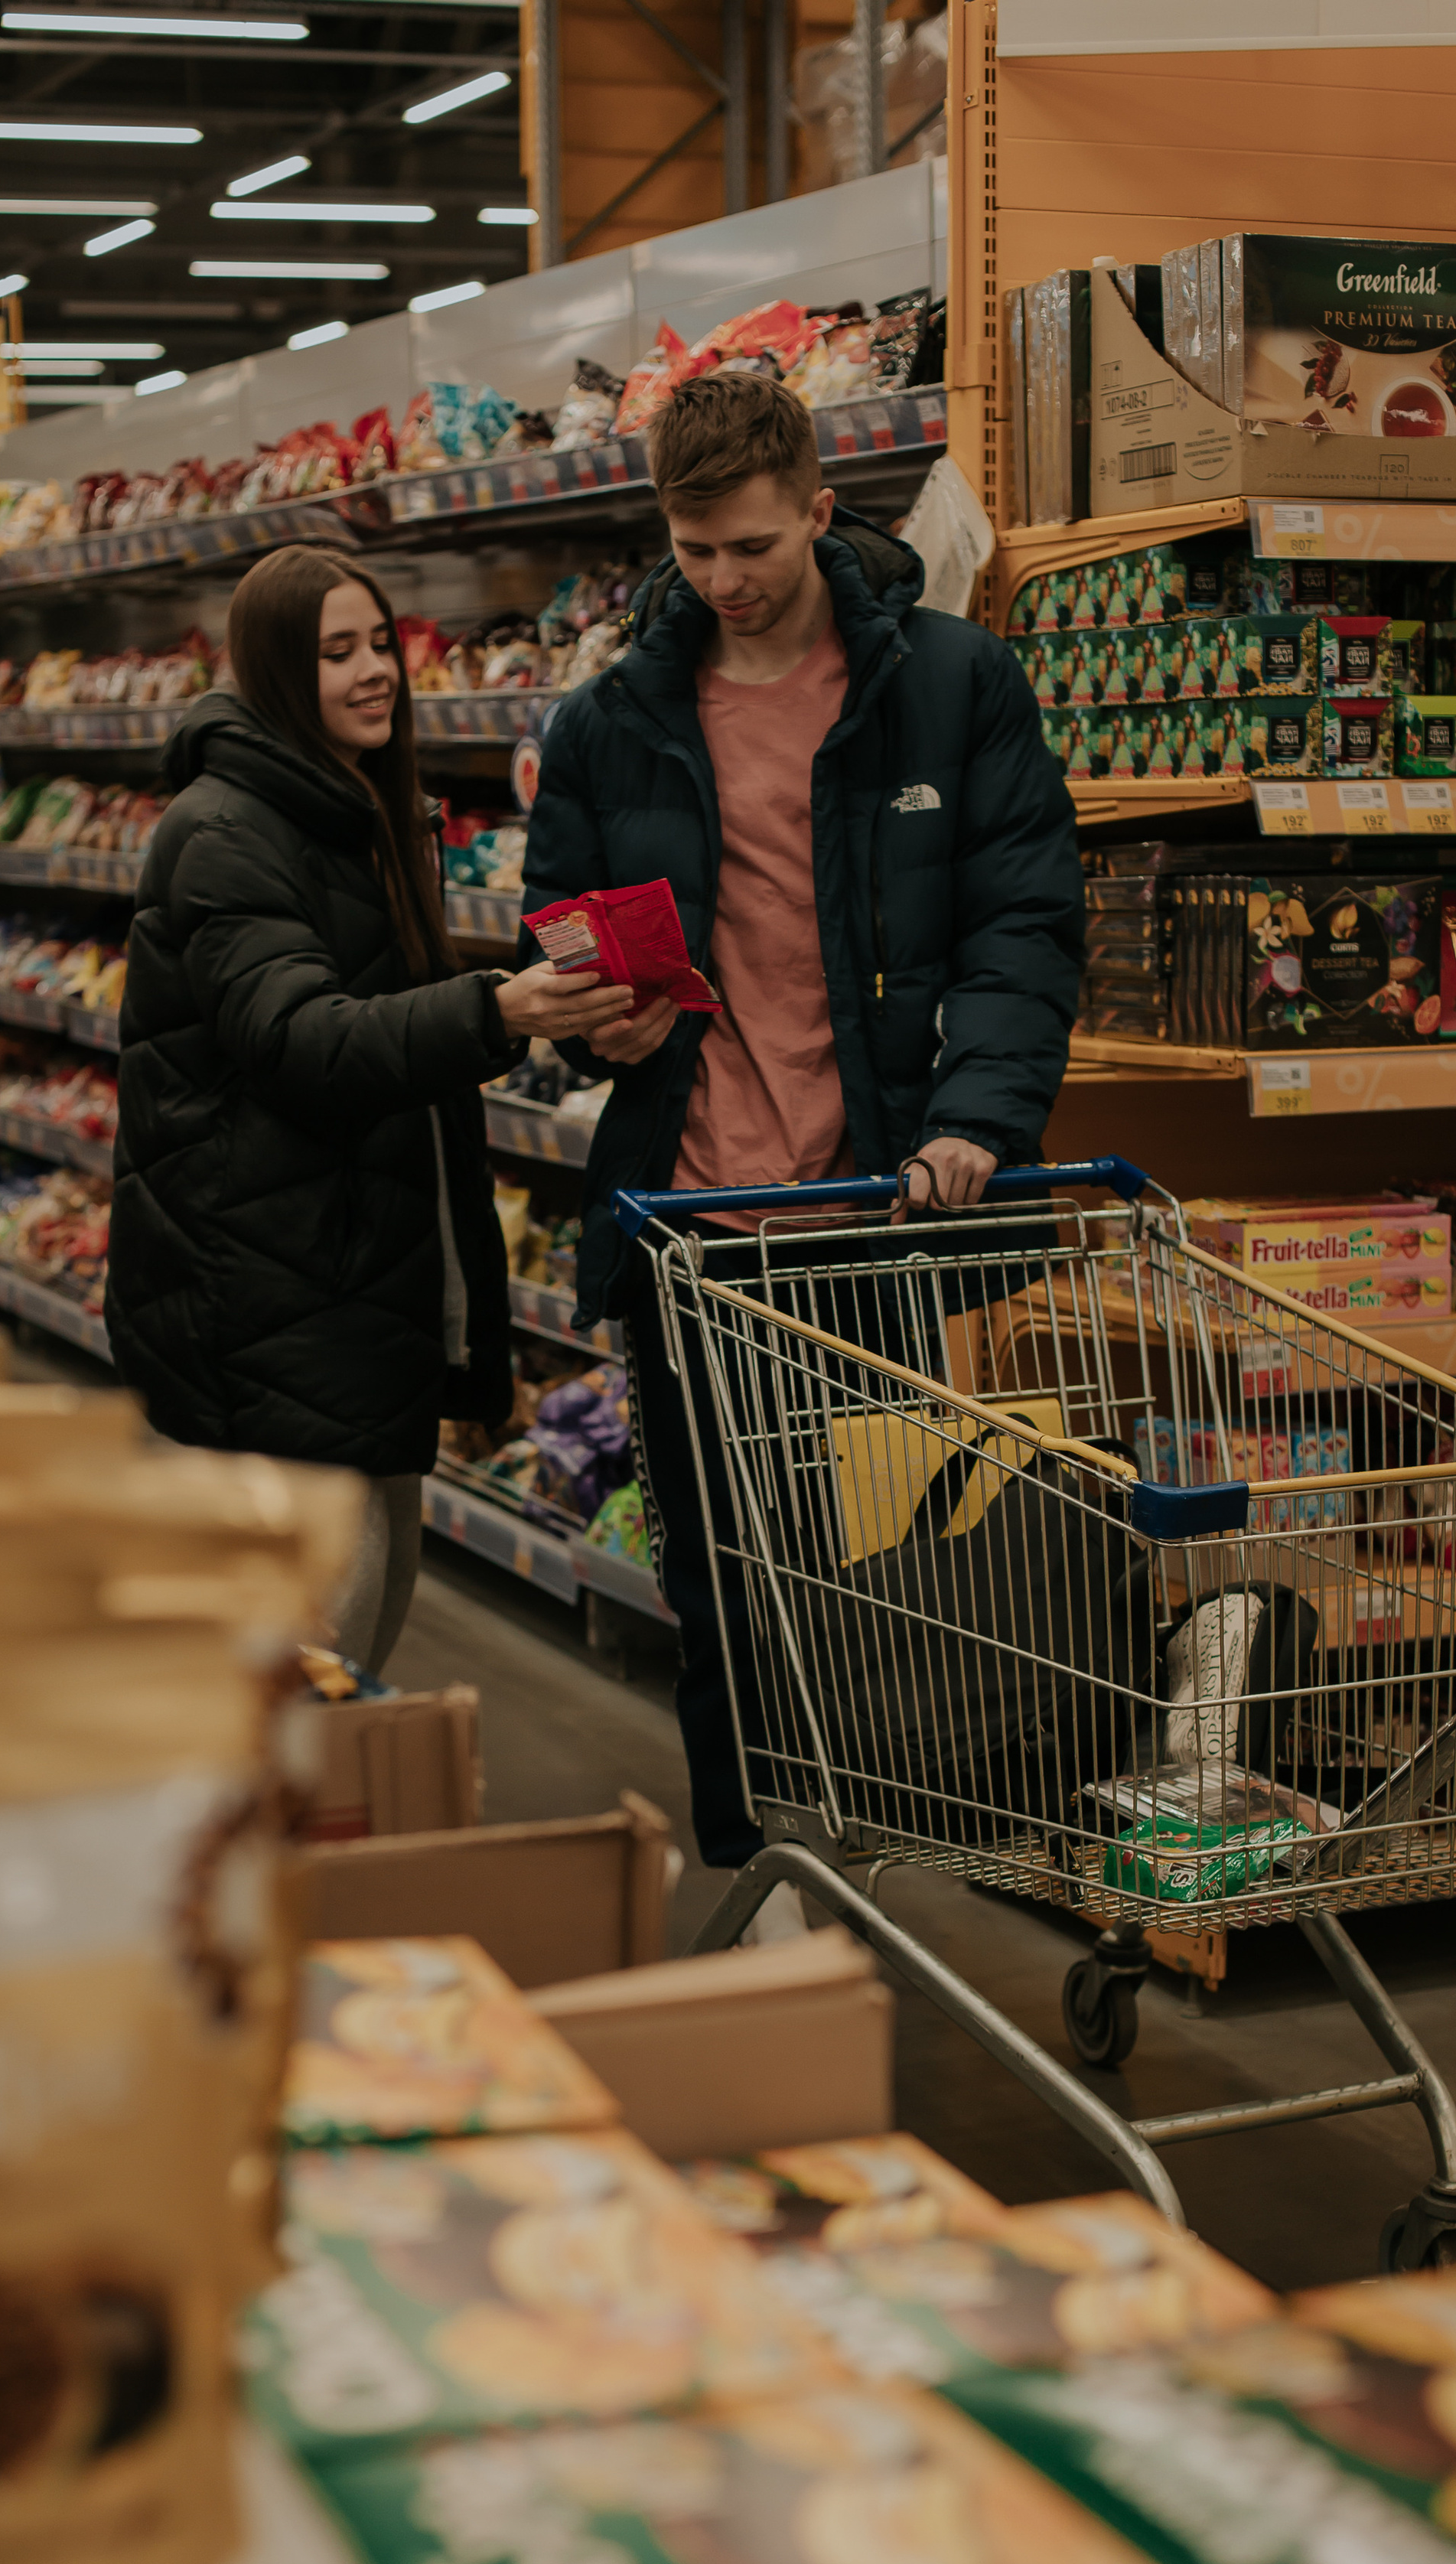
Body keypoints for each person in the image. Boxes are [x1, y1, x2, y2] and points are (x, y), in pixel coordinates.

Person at [521, 373, 1085, 1862]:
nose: (723, 582)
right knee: (714, 1579)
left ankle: (867, 1846)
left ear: (820, 510)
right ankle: (756, 1870)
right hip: (685, 1224)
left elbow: (1021, 926)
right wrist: (598, 1013)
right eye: (694, 550)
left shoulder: (949, 685)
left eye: (753, 548)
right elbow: (557, 926)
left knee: (875, 1569)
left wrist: (977, 1116)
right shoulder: (606, 723)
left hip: (866, 1229)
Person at [108, 544, 630, 1671]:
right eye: (334, 652)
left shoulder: (353, 811)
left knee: (363, 1633)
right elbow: (302, 1041)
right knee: (307, 1677)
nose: (373, 671)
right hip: (268, 1306)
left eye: (379, 643)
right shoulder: (224, 832)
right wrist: (499, 1011)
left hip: (344, 1293)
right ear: (277, 675)